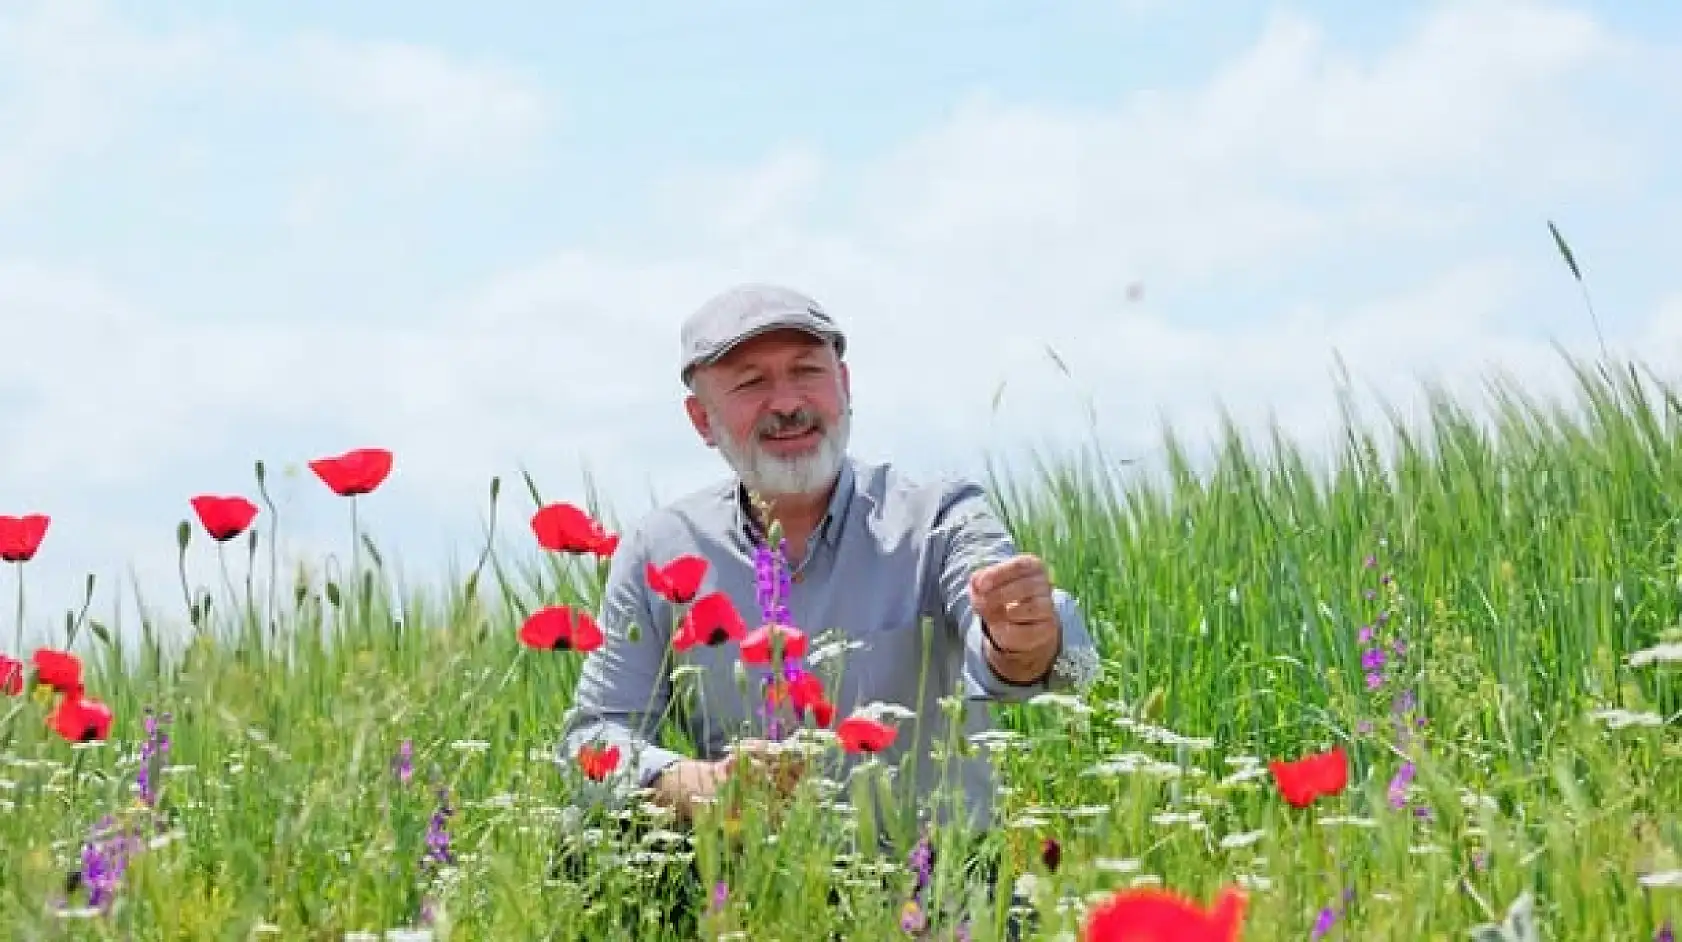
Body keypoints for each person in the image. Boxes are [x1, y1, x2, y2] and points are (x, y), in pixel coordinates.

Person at [556, 283, 1100, 924]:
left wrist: (1024, 640)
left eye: (807, 372)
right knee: (582, 847)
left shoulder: (938, 517)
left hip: (937, 884)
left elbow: (1044, 658)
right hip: (756, 886)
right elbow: (592, 737)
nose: (787, 403)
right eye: (751, 382)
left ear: (844, 385)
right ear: (702, 418)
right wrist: (691, 784)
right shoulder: (661, 550)